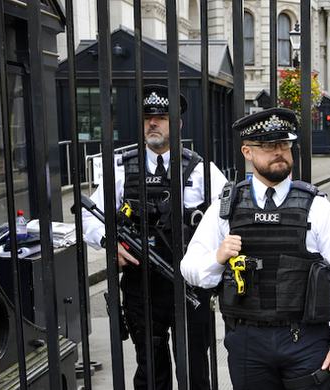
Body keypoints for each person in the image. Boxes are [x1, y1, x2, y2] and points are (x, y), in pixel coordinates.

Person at [181, 107, 330, 389]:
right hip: (247, 341)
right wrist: (217, 258)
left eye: (284, 144)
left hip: (306, 338)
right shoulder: (224, 209)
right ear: (247, 152)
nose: (279, 151)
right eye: (268, 145)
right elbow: (190, 269)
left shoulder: (317, 207)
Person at [81, 84, 227, 390]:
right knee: (150, 373)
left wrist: (213, 261)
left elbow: (228, 221)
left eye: (162, 116)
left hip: (190, 287)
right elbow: (88, 217)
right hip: (141, 286)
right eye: (148, 116)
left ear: (177, 123)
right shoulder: (121, 169)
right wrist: (110, 244)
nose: (153, 122)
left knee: (194, 373)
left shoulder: (202, 171)